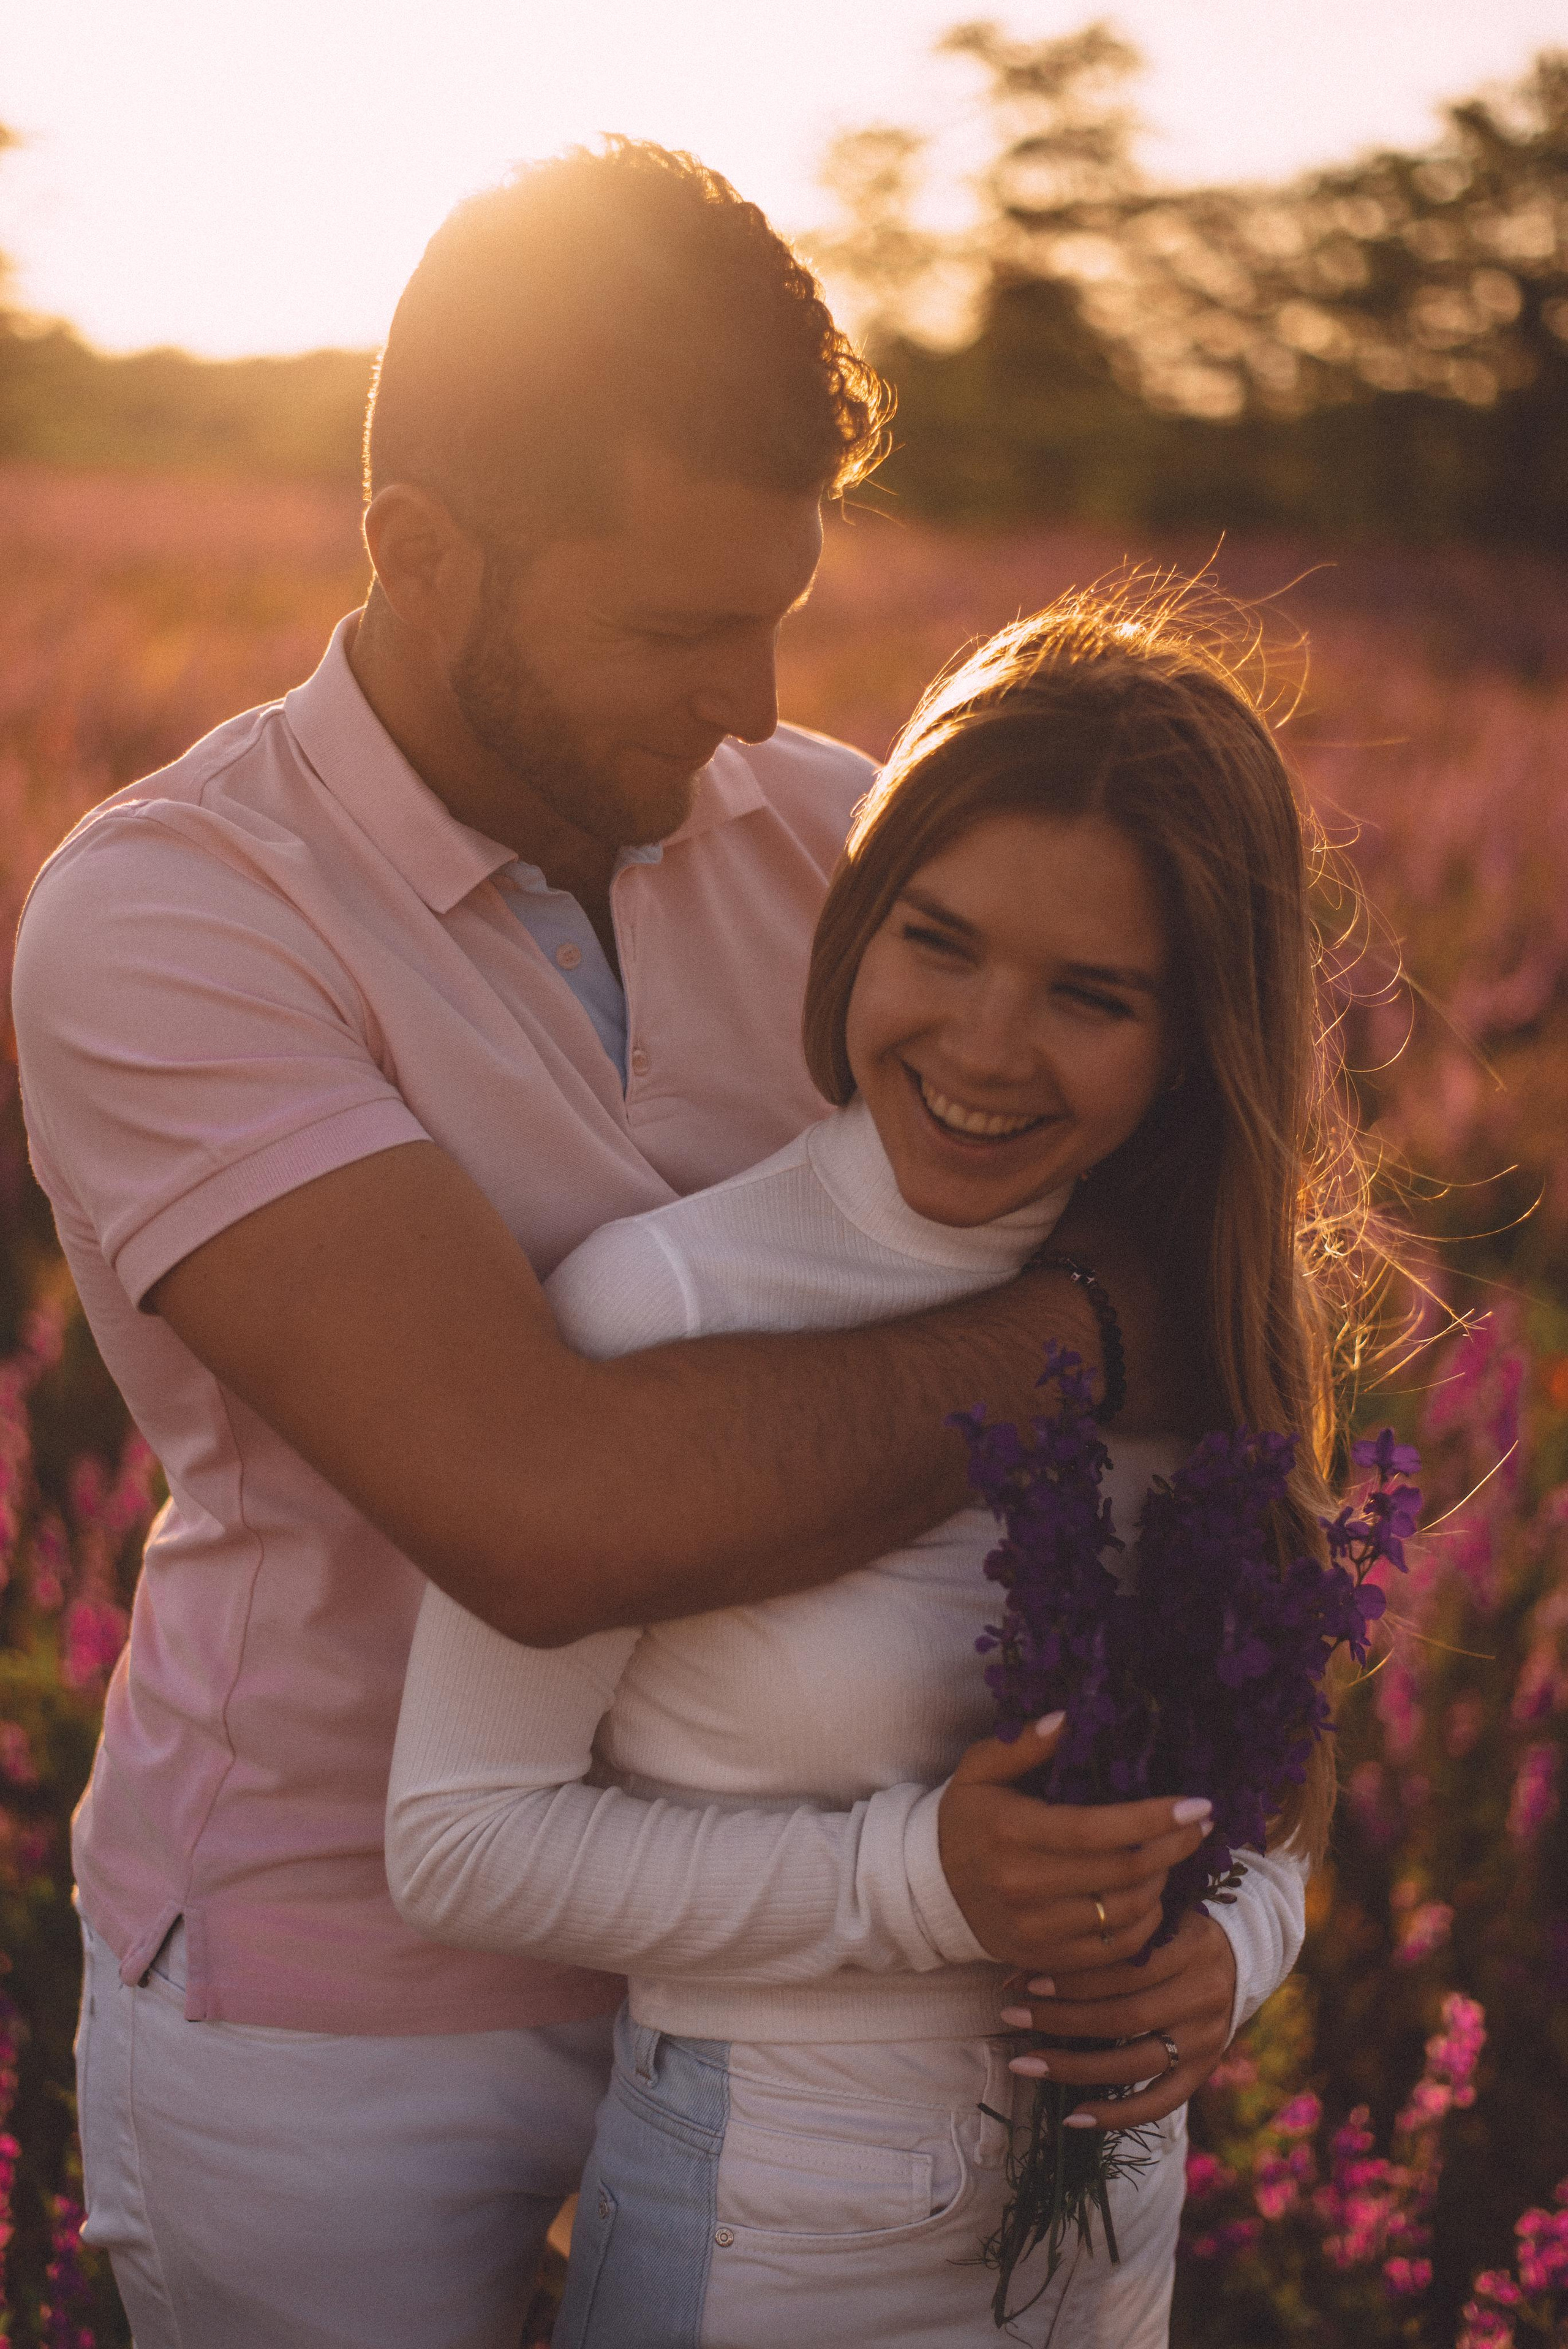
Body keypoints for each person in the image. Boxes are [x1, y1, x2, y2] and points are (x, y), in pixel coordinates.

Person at [10, 145, 1180, 2349]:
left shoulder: (843, 839)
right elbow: (545, 1513)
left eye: (780, 613)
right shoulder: (172, 916)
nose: (751, 697)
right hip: (342, 2003)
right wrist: (1105, 1326)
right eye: (672, 625)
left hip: (804, 1969)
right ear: (420, 555)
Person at [387, 584, 1371, 2347]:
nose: (987, 1044)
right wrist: (912, 1882)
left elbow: (1277, 1802)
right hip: (782, 2210)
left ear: (1198, 1030)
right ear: (853, 916)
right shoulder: (667, 1298)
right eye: (938, 940)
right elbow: (458, 1841)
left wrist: (1236, 1954)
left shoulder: (1206, 1306)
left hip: (1116, 2218)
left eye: (1091, 994)